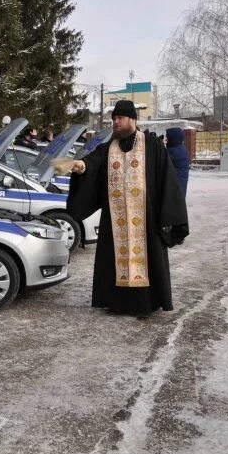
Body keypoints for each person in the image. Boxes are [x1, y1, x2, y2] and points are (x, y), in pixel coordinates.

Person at [65, 100, 189, 320]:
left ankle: (147, 304)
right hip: (116, 221)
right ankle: (117, 303)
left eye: (120, 119)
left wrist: (168, 216)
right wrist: (81, 167)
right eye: (114, 119)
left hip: (146, 220)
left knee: (149, 259)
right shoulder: (108, 148)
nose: (116, 123)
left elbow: (167, 180)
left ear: (132, 119)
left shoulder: (152, 146)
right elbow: (92, 163)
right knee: (114, 260)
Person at [165, 127, 189, 194]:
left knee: (175, 200)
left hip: (176, 182)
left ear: (173, 138)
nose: (166, 139)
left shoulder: (172, 151)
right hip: (179, 181)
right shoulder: (182, 147)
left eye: (167, 137)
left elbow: (161, 161)